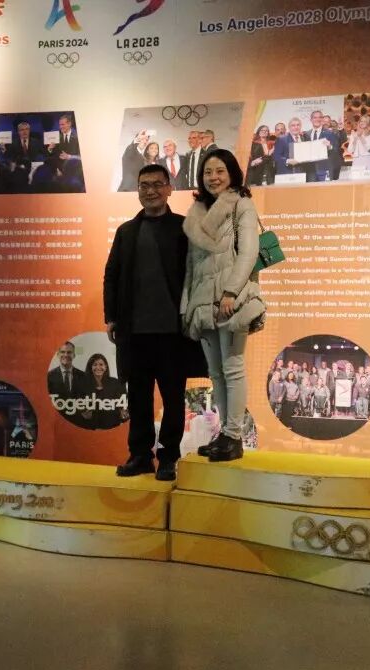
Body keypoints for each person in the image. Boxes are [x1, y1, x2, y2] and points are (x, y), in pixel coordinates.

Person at [104, 163, 207, 481]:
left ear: (169, 188)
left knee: (173, 398)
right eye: (144, 185)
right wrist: (111, 317)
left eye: (157, 184)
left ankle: (168, 458)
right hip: (134, 332)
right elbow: (111, 275)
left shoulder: (184, 228)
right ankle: (140, 455)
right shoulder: (126, 232)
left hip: (173, 333)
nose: (151, 191)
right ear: (138, 190)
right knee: (138, 398)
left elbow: (199, 273)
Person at [181, 149, 265, 462]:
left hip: (231, 300)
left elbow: (248, 253)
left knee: (233, 368)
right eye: (207, 172)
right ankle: (223, 436)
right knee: (215, 373)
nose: (213, 177)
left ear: (231, 174)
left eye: (219, 171)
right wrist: (187, 306)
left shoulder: (242, 204)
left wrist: (231, 292)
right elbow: (191, 265)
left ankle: (233, 436)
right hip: (203, 303)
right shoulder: (197, 212)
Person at [85, 353, 128, 430]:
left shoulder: (117, 383)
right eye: (95, 364)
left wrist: (124, 415)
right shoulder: (83, 385)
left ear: (105, 367)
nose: (98, 367)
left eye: (101, 364)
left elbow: (124, 408)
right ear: (90, 367)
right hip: (90, 429)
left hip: (112, 428)